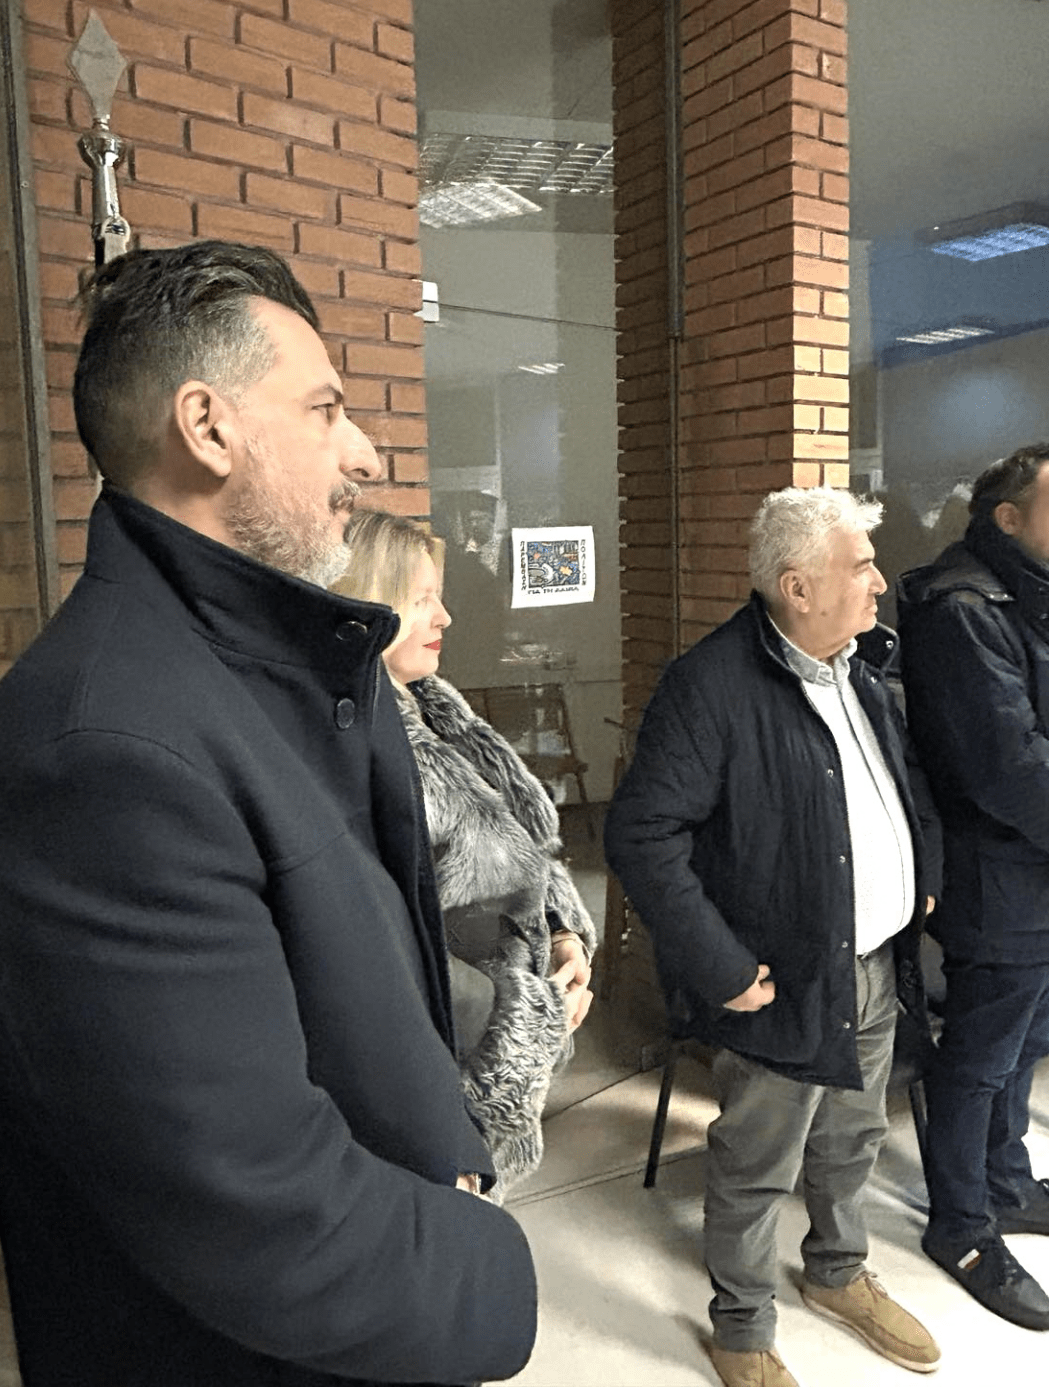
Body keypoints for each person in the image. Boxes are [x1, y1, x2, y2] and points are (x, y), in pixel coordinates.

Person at [0, 241, 538, 1387]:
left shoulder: (275, 677)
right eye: (325, 409)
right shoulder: (101, 756)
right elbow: (257, 1210)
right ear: (208, 427)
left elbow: (345, 976)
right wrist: (488, 1264)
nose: (363, 453)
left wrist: (451, 1131)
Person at [605, 487, 941, 1387]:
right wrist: (718, 966)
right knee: (757, 1165)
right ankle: (743, 1328)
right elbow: (641, 834)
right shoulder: (709, 686)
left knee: (852, 1138)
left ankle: (837, 1272)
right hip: (778, 980)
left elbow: (902, 781)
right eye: (860, 567)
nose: (879, 582)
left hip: (873, 964)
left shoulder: (860, 666)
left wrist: (923, 878)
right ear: (797, 587)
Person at [334, 509, 594, 1197]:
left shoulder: (435, 708)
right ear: (368, 601)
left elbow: (528, 846)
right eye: (421, 599)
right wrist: (528, 1015)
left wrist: (563, 932)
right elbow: (379, 956)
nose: (445, 616)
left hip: (494, 1080)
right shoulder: (354, 748)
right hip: (441, 1099)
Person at [898, 443, 1049, 1330]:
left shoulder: (1028, 595)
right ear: (1009, 518)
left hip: (1036, 869)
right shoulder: (962, 607)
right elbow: (1008, 769)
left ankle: (1008, 1181)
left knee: (1027, 1040)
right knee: (981, 1056)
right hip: (996, 879)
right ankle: (960, 1226)